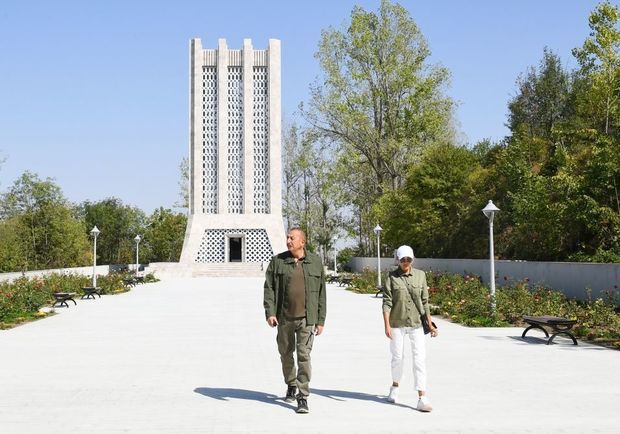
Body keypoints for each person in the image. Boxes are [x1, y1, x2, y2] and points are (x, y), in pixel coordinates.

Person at [263, 228, 327, 414]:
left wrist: (320, 320)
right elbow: (269, 289)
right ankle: (291, 383)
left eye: (292, 238)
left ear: (302, 242)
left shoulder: (315, 262)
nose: (288, 240)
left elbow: (322, 292)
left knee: (304, 356)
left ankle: (303, 396)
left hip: (307, 319)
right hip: (284, 318)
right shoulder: (278, 261)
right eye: (288, 238)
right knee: (285, 353)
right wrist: (270, 312)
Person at [382, 245, 438, 412]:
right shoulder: (391, 277)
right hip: (397, 323)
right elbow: (387, 302)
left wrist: (430, 324)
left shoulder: (420, 276)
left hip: (416, 324)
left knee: (419, 359)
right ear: (397, 260)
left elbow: (425, 302)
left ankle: (422, 396)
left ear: (412, 259)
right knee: (397, 358)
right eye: (402, 259)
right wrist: (386, 326)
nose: (405, 262)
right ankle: (395, 386)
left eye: (408, 259)